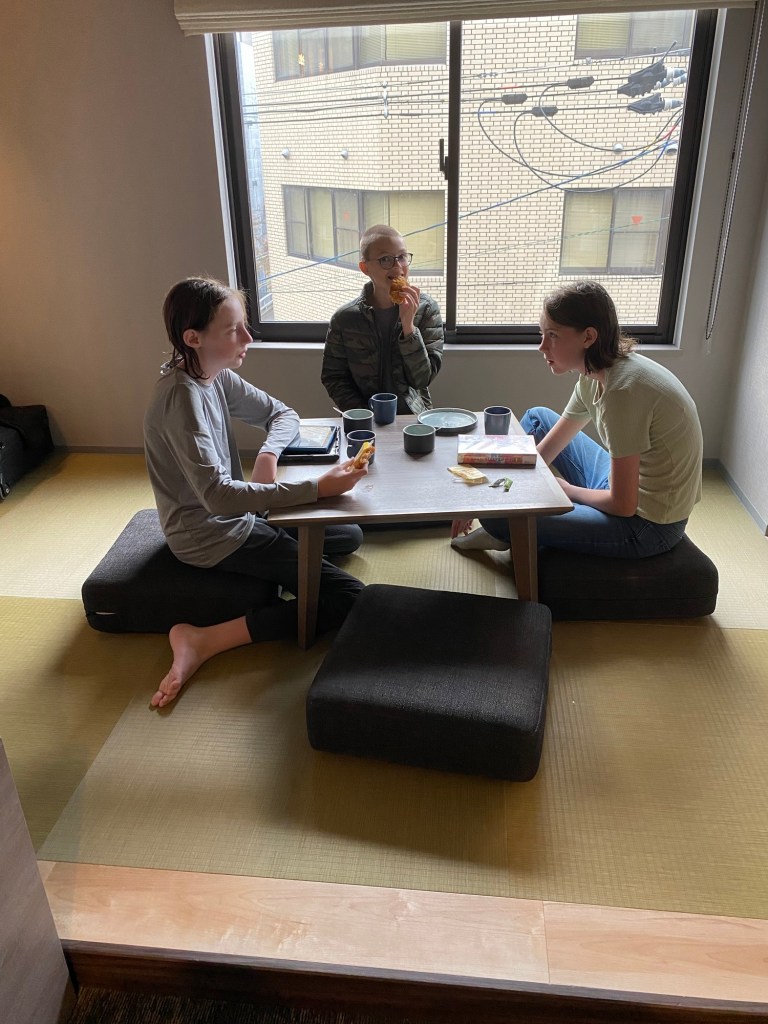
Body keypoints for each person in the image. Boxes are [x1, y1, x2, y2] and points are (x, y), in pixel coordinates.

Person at [144, 277, 368, 709]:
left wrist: (268, 454)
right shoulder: (181, 400)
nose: (248, 337)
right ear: (194, 338)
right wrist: (315, 488)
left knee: (348, 534)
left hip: (240, 513)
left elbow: (283, 414)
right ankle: (204, 639)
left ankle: (282, 545)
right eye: (234, 330)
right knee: (351, 598)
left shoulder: (213, 375)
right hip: (211, 533)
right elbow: (217, 497)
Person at [452, 281, 703, 557]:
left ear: (588, 337)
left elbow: (623, 505)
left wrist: (566, 490)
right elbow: (548, 449)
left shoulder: (622, 392)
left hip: (647, 526)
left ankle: (504, 531)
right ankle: (513, 524)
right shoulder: (594, 375)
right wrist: (495, 489)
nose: (542, 347)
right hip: (623, 488)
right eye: (542, 334)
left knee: (495, 518)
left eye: (553, 335)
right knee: (538, 419)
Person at [321, 224, 444, 415]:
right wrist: (363, 414)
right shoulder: (344, 319)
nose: (397, 266)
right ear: (365, 268)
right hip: (365, 419)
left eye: (402, 257)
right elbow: (334, 377)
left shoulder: (426, 309)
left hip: (413, 418)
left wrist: (409, 328)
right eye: (385, 259)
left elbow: (422, 379)